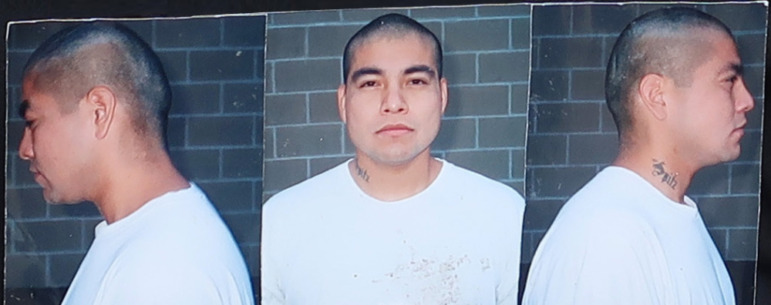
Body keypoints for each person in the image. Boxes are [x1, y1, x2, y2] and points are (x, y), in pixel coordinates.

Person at [261, 13, 525, 305]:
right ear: (343, 102)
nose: (394, 103)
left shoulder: (504, 213)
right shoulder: (282, 220)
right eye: (372, 84)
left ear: (443, 96)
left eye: (415, 81)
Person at [522, 7, 753, 305]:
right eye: (728, 80)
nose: (747, 101)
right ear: (657, 95)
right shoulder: (607, 236)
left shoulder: (671, 218)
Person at [18, 22, 254, 305]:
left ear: (99, 112)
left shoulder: (162, 270)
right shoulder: (148, 243)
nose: (25, 149)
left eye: (33, 122)